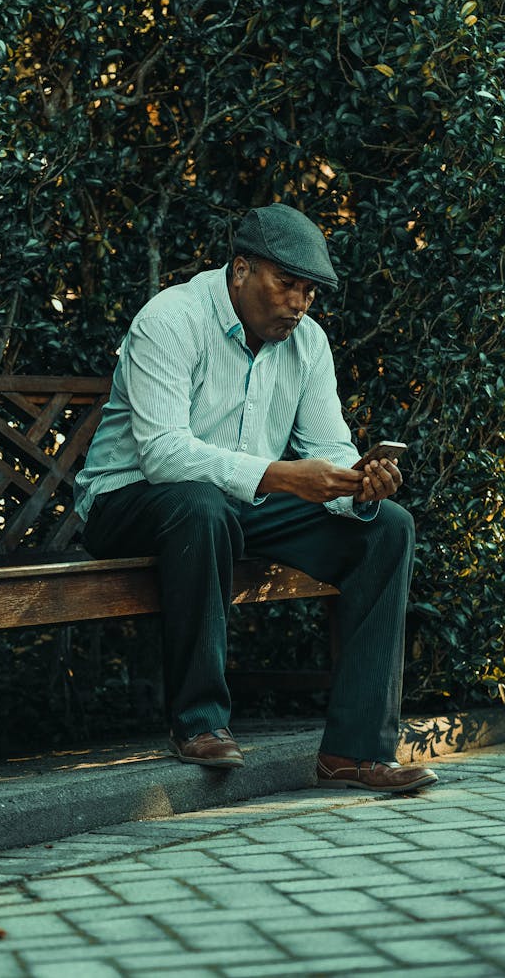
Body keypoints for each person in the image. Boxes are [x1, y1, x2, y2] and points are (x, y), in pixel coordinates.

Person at [74, 204, 437, 793]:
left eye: (309, 292)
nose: (298, 304)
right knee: (199, 504)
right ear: (240, 270)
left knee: (387, 528)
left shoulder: (308, 344)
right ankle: (200, 722)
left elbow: (327, 446)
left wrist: (358, 486)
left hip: (238, 504)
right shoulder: (171, 321)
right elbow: (165, 456)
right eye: (286, 284)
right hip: (128, 501)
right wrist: (287, 476)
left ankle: (354, 753)